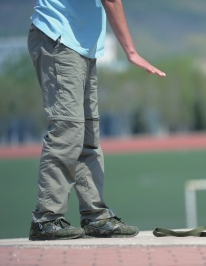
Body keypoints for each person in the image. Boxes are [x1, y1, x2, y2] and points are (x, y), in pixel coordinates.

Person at [27, 0, 165, 241]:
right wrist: (131, 52)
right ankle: (46, 219)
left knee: (88, 135)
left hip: (81, 45)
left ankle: (96, 216)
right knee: (67, 130)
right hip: (58, 37)